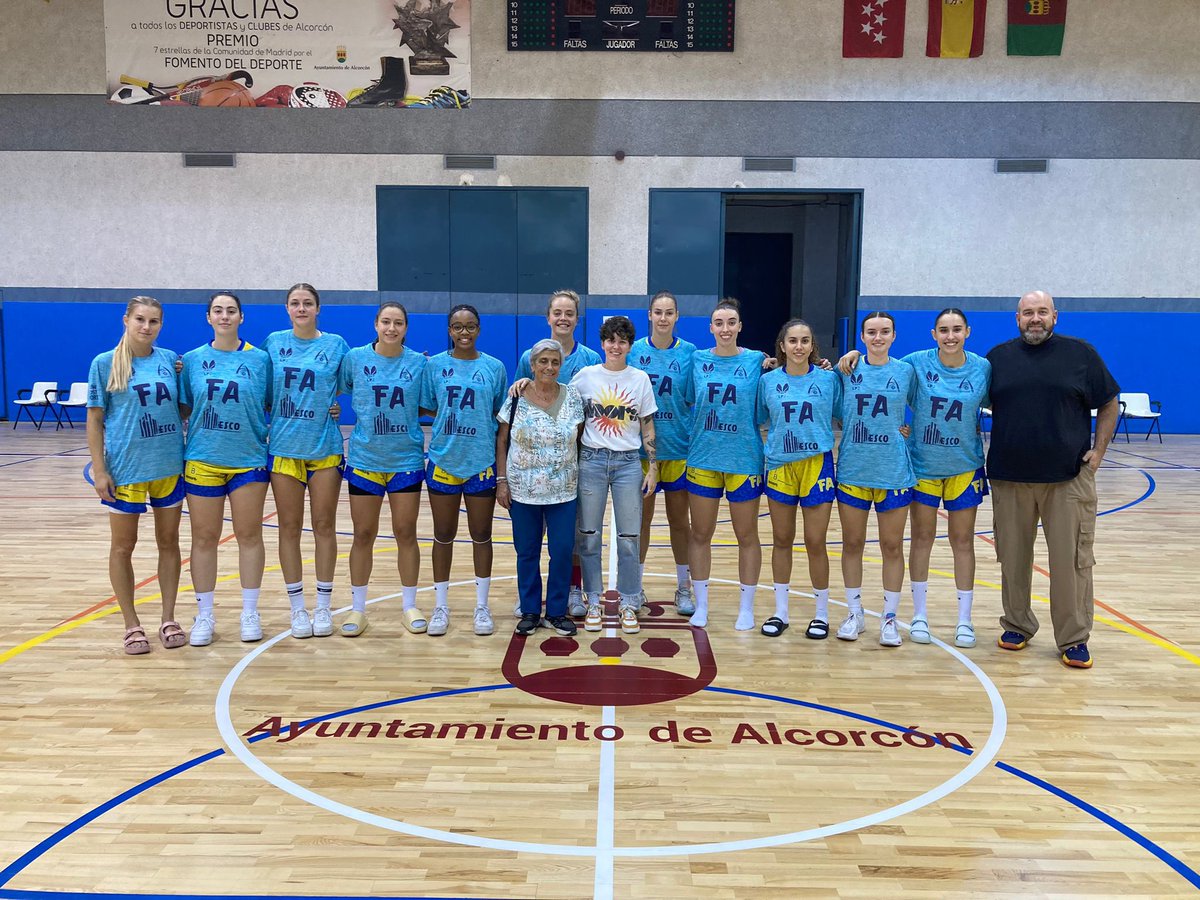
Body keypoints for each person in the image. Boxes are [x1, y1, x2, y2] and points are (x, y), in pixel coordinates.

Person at [839, 308, 991, 649]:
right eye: (943, 330)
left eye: (956, 329)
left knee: (960, 542)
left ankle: (962, 619)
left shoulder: (978, 368)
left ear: (967, 331)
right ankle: (904, 614)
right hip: (916, 466)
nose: (950, 336)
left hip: (962, 465)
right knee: (915, 539)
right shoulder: (898, 366)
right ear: (932, 334)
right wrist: (847, 356)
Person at [987, 290, 1119, 669]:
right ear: (1017, 318)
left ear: (1055, 316)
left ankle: (1073, 638)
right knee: (1012, 559)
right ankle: (1017, 624)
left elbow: (1109, 401)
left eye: (1042, 312)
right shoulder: (998, 358)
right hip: (1010, 478)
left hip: (1068, 479)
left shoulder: (1081, 355)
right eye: (1028, 312)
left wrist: (1099, 451)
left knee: (1071, 564)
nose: (1035, 318)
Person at [86, 296, 185, 654]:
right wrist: (100, 469)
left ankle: (168, 617)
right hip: (126, 470)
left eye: (154, 321)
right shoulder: (104, 364)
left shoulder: (170, 361)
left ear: (161, 325)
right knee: (123, 546)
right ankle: (131, 624)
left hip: (168, 466)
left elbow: (184, 407)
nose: (146, 327)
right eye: (140, 319)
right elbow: (95, 420)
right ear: (126, 320)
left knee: (169, 542)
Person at [178, 292, 272, 646]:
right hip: (203, 457)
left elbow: (275, 402)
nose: (225, 316)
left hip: (248, 459)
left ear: (241, 318)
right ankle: (204, 615)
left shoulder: (261, 360)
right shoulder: (191, 361)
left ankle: (250, 612)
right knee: (204, 539)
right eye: (218, 311)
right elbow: (184, 409)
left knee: (250, 536)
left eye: (231, 311)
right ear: (208, 318)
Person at [262, 283, 349, 640]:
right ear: (287, 308)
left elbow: (346, 383)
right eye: (295, 303)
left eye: (308, 303)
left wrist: (334, 405)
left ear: (318, 309)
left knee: (325, 525)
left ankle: (324, 606)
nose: (301, 308)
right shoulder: (272, 343)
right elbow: (263, 389)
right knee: (289, 528)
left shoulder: (336, 345)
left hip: (324, 447)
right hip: (284, 446)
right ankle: (298, 608)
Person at [339, 301, 429, 638]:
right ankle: (357, 609)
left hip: (405, 459)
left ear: (406, 328)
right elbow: (339, 389)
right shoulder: (355, 358)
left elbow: (426, 403)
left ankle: (409, 605)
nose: (392, 328)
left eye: (399, 323)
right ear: (376, 324)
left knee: (405, 533)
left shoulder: (419, 364)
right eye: (386, 322)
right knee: (363, 534)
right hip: (365, 459)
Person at [419, 304, 508, 637]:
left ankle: (481, 606)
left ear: (479, 329)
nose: (464, 332)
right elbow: (427, 405)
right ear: (449, 331)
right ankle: (440, 606)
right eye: (458, 327)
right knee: (443, 536)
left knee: (481, 535)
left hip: (480, 462)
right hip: (443, 460)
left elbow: (501, 417)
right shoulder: (435, 366)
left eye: (470, 326)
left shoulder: (494, 368)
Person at [514, 289, 601, 616]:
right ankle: (530, 597)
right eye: (557, 313)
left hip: (577, 456)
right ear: (548, 318)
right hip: (535, 462)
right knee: (534, 535)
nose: (563, 318)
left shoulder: (591, 358)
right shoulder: (529, 356)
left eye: (569, 313)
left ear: (577, 319)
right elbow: (521, 396)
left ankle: (573, 589)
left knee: (571, 534)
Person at [571, 315, 658, 635]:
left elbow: (648, 424)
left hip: (627, 464)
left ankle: (629, 602)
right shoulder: (585, 377)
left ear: (630, 345)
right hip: (591, 462)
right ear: (602, 343)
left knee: (629, 538)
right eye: (611, 340)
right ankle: (593, 600)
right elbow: (561, 404)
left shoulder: (639, 380)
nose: (616, 346)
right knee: (589, 537)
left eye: (622, 341)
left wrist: (653, 467)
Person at [834, 312, 916, 647]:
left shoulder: (907, 371)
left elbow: (927, 409)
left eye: (884, 332)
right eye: (871, 332)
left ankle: (890, 619)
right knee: (852, 544)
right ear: (863, 337)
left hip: (893, 470)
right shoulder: (847, 370)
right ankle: (855, 613)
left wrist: (905, 434)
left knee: (892, 546)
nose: (878, 338)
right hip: (854, 468)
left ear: (894, 336)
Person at [685, 298, 766, 630]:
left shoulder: (757, 361)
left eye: (731, 322)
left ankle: (746, 608)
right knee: (700, 533)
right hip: (703, 456)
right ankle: (701, 604)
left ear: (740, 327)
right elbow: (690, 400)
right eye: (719, 323)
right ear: (711, 328)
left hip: (744, 458)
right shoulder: (697, 360)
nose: (725, 329)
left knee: (746, 535)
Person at [758, 319, 842, 639]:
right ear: (782, 345)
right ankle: (781, 611)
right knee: (782, 540)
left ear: (812, 345)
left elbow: (847, 412)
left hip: (816, 464)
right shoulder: (768, 382)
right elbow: (757, 418)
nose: (798, 347)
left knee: (815, 542)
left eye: (805, 341)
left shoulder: (828, 379)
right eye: (792, 341)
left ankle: (821, 614)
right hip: (780, 464)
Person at [496, 339, 585, 637]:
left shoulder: (573, 397)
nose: (549, 367)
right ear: (532, 365)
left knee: (561, 551)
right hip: (523, 490)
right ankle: (531, 610)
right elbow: (502, 440)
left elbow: (580, 439)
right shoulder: (517, 396)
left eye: (554, 362)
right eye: (543, 361)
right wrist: (502, 481)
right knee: (527, 551)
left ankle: (557, 612)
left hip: (563, 489)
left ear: (561, 366)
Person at [629, 290, 697, 616]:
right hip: (641, 454)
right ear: (650, 315)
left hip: (679, 450)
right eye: (658, 312)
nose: (663, 318)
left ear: (677, 316)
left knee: (679, 523)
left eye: (669, 312)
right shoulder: (634, 352)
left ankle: (684, 587)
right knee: (641, 521)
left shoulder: (690, 354)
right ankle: (636, 586)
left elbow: (693, 397)